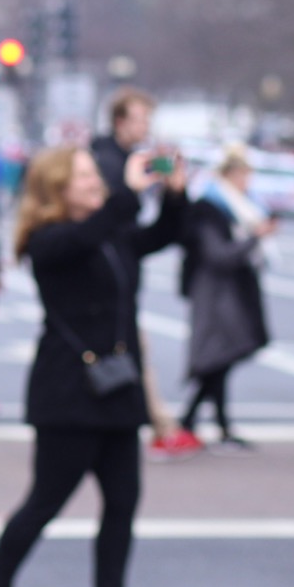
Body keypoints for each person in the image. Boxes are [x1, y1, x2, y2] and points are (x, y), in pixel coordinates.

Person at [0, 143, 187, 587]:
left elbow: (164, 235)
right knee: (44, 503)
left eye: (97, 176)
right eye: (84, 176)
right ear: (57, 188)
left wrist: (173, 194)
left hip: (116, 390)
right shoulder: (51, 241)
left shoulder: (113, 235)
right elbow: (88, 236)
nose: (96, 183)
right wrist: (129, 193)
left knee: (123, 504)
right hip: (69, 394)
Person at [91, 88, 200, 460]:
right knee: (125, 362)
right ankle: (159, 427)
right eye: (141, 119)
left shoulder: (128, 160)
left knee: (135, 358)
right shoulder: (102, 159)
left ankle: (159, 426)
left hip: (124, 280)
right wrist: (131, 188)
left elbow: (145, 238)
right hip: (98, 287)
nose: (146, 127)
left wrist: (174, 195)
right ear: (121, 121)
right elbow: (103, 224)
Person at [179, 145, 272, 451]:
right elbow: (217, 254)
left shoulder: (231, 205)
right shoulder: (212, 207)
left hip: (228, 292)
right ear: (232, 174)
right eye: (245, 174)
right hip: (217, 294)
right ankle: (198, 423)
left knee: (219, 361)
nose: (249, 181)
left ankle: (204, 423)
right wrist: (255, 237)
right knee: (216, 360)